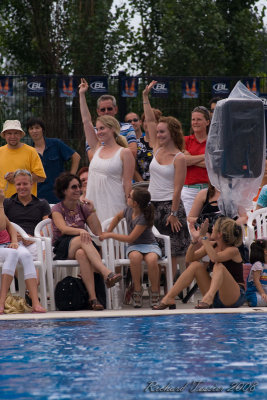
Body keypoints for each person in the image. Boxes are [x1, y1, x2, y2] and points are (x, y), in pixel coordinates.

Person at [51, 172, 122, 310]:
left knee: (82, 254)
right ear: (64, 190)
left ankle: (93, 299)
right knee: (83, 239)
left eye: (79, 186)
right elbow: (63, 229)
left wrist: (92, 210)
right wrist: (80, 230)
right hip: (64, 244)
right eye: (74, 187)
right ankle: (106, 273)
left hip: (83, 243)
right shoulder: (57, 208)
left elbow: (97, 232)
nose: (78, 189)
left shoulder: (82, 207)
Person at [143, 80, 190, 277]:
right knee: (155, 248)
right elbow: (151, 122)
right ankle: (163, 289)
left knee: (173, 253)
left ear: (172, 133)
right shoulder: (157, 148)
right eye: (158, 132)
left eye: (163, 132)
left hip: (171, 206)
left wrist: (173, 213)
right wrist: (145, 97)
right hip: (152, 205)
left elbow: (178, 189)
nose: (158, 134)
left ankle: (173, 291)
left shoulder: (180, 158)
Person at [153, 216, 245, 310]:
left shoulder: (233, 250)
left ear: (220, 234)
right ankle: (169, 298)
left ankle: (208, 298)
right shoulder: (212, 245)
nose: (212, 228)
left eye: (214, 227)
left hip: (234, 296)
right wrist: (195, 240)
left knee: (219, 266)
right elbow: (189, 258)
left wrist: (204, 236)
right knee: (195, 265)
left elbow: (215, 258)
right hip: (216, 295)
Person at [79, 79, 135, 223]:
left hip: (114, 203)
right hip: (94, 202)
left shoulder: (124, 152)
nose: (98, 132)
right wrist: (82, 95)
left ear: (112, 129)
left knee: (115, 242)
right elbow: (86, 120)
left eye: (102, 128)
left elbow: (127, 183)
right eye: (97, 129)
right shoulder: (96, 147)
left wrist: (131, 209)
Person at [100, 187, 161, 308]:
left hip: (149, 245)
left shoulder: (143, 217)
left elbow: (130, 238)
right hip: (134, 246)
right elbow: (117, 218)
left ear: (135, 203)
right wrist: (110, 230)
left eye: (129, 196)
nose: (127, 197)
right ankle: (137, 290)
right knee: (135, 257)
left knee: (152, 260)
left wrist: (110, 234)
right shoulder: (128, 210)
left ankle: (155, 292)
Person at [0, 189, 46, 314]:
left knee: (26, 255)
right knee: (12, 253)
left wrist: (14, 240)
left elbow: (9, 226)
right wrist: (0, 203)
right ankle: (1, 302)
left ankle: (35, 302)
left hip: (8, 245)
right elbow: (1, 226)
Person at [26, 117, 81, 204]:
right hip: (39, 197)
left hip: (60, 194)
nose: (34, 131)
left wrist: (71, 178)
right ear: (28, 132)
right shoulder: (28, 151)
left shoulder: (56, 143)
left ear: (42, 129)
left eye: (37, 128)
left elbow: (76, 157)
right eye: (31, 128)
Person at [79, 80, 137, 161]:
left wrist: (107, 154)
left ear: (115, 109)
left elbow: (133, 154)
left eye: (109, 109)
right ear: (98, 112)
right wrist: (81, 94)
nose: (106, 112)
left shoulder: (128, 127)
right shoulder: (94, 132)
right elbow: (92, 158)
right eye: (103, 110)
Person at [4, 169, 50, 262]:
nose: (22, 187)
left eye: (25, 184)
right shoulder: (7, 203)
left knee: (46, 248)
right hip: (13, 242)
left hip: (35, 241)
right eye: (18, 184)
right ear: (15, 185)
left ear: (31, 184)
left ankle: (38, 277)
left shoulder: (42, 203)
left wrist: (33, 238)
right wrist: (13, 236)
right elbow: (3, 225)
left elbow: (47, 228)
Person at [0, 120, 46, 198]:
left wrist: (17, 178)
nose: (13, 136)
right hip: (3, 203)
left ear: (21, 134)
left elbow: (41, 177)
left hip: (27, 204)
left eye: (16, 133)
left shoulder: (31, 151)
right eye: (9, 133)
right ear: (4, 135)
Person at [181, 106, 211, 216]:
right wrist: (206, 156)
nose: (195, 122)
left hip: (210, 190)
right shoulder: (185, 140)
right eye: (193, 119)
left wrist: (191, 158)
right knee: (191, 226)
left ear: (207, 122)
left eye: (199, 119)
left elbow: (213, 165)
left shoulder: (213, 142)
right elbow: (184, 161)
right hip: (189, 191)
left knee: (209, 226)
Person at [132, 109, 162, 183]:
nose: (148, 124)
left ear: (159, 123)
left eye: (152, 121)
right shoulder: (136, 144)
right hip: (142, 187)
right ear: (142, 123)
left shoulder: (164, 143)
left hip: (161, 185)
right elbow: (133, 169)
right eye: (146, 121)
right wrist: (143, 184)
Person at [246, 239, 267, 307]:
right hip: (256, 292)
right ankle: (251, 301)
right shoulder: (258, 265)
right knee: (260, 300)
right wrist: (262, 293)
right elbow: (256, 280)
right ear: (265, 251)